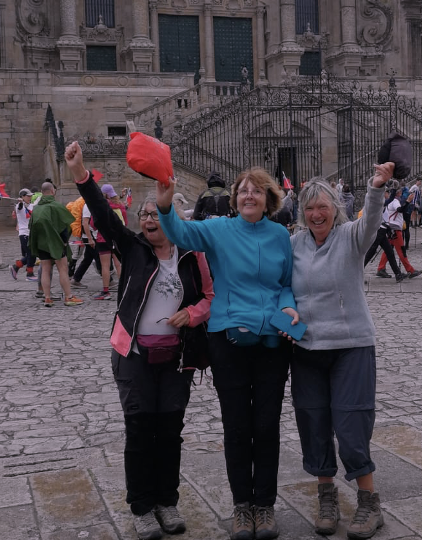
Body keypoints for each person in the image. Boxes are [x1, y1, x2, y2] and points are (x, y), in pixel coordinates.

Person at [64, 141, 214, 540]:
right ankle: (142, 507)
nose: (149, 218)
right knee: (139, 429)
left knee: (169, 431)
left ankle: (167, 501)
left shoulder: (190, 255)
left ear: (170, 218)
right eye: (144, 214)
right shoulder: (132, 249)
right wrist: (82, 174)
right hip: (133, 355)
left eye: (155, 213)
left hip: (176, 357)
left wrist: (192, 313)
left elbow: (209, 298)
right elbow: (104, 217)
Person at [156, 168, 297, 540]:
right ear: (234, 198)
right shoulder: (219, 230)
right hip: (228, 339)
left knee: (266, 425)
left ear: (269, 199)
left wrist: (288, 308)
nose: (248, 196)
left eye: (256, 191)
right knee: (237, 427)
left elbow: (285, 284)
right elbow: (179, 232)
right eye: (242, 191)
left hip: (272, 341)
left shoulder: (281, 235)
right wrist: (165, 203)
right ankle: (242, 506)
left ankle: (264, 505)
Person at [281, 163, 394, 539]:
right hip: (306, 347)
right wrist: (284, 314)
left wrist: (375, 188)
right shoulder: (293, 243)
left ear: (335, 208)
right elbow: (280, 287)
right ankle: (326, 494)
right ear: (302, 211)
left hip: (351, 346)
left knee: (351, 423)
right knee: (313, 422)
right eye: (309, 207)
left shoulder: (351, 237)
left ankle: (368, 502)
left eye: (323, 206)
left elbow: (372, 220)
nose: (316, 214)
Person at [28, 181, 84, 307]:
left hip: (42, 244)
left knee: (45, 270)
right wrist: (64, 242)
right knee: (63, 269)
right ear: (52, 191)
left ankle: (47, 298)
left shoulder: (36, 209)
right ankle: (68, 297)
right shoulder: (57, 207)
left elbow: (32, 227)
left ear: (42, 192)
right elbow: (65, 227)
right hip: (57, 243)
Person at [10, 188, 38, 281]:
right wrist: (21, 202)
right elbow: (20, 207)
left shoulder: (31, 206)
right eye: (27, 196)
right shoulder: (19, 206)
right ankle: (29, 274)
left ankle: (16, 266)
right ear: (22, 197)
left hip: (31, 234)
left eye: (30, 196)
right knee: (30, 254)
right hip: (24, 234)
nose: (30, 197)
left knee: (32, 254)